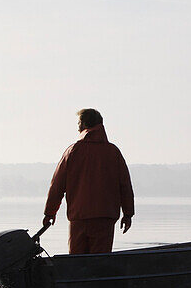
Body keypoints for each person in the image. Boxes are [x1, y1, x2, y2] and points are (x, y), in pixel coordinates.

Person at [41, 108, 134, 255]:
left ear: (84, 124)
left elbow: (57, 185)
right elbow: (125, 186)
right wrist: (128, 214)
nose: (77, 127)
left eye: (78, 123)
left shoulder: (72, 151)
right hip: (105, 217)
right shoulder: (113, 152)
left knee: (76, 263)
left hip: (79, 217)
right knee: (100, 262)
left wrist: (50, 213)